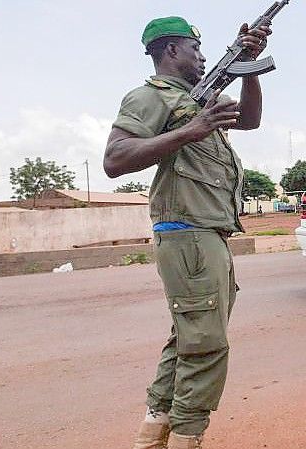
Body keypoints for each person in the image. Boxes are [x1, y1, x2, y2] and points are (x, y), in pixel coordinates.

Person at [103, 16, 272, 449]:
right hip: (189, 233)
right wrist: (190, 130)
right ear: (172, 51)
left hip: (204, 234)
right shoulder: (149, 97)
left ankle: (153, 432)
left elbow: (249, 120)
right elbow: (116, 159)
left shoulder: (194, 99)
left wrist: (247, 66)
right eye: (195, 49)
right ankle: (186, 437)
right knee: (206, 345)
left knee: (190, 337)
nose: (201, 57)